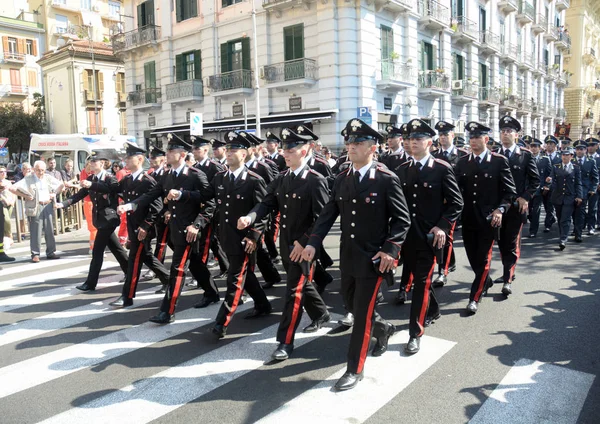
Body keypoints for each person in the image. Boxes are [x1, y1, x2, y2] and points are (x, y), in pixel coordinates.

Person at [302, 118, 411, 391]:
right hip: (348, 256)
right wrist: (313, 242)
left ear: (373, 147)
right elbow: (328, 214)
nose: (350, 146)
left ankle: (355, 368)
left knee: (361, 314)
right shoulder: (342, 178)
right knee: (351, 304)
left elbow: (401, 220)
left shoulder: (386, 179)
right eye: (349, 142)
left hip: (373, 259)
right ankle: (383, 329)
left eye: (358, 143)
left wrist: (390, 249)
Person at [238, 127, 330, 360]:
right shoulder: (282, 179)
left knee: (293, 292)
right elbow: (266, 203)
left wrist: (304, 242)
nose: (285, 153)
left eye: (291, 149)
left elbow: (322, 219)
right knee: (300, 285)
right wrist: (251, 217)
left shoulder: (314, 181)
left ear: (305, 149)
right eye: (284, 149)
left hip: (304, 248)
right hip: (286, 244)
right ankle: (321, 313)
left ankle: (285, 341)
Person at [120, 134, 216, 324]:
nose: (167, 153)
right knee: (195, 263)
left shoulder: (196, 175)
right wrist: (131, 205)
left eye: (171, 150)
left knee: (178, 269)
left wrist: (196, 224)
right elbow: (151, 195)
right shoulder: (167, 175)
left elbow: (210, 202)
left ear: (181, 155)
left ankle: (167, 311)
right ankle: (212, 293)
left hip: (190, 231)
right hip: (175, 230)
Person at [395, 119, 463, 354]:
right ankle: (432, 309)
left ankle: (415, 332)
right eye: (410, 139)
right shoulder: (402, 169)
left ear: (430, 142)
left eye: (418, 139)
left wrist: (442, 226)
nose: (413, 143)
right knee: (420, 281)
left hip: (429, 237)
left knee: (421, 282)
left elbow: (456, 203)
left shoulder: (442, 168)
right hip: (407, 237)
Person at [208, 131, 273, 338]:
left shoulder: (254, 180)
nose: (228, 153)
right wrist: (181, 194)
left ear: (244, 154)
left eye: (233, 150)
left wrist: (253, 236)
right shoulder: (220, 178)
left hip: (244, 240)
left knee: (234, 280)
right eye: (227, 149)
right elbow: (206, 198)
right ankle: (263, 305)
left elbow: (263, 211)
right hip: (226, 237)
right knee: (246, 274)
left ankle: (221, 323)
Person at [455, 122, 516, 314]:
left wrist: (500, 210)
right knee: (473, 258)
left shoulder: (498, 161)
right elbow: (456, 189)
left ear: (486, 139)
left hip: (489, 220)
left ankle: (474, 297)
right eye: (471, 138)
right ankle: (485, 280)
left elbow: (510, 192)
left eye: (477, 137)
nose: (473, 141)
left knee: (483, 259)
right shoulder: (463, 162)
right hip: (468, 219)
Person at [56, 153, 129, 290]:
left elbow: (112, 189)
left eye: (95, 161)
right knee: (117, 249)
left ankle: (90, 283)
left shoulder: (109, 178)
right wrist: (64, 204)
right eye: (90, 161)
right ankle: (130, 272)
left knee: (97, 252)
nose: (91, 163)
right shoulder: (91, 178)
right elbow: (80, 194)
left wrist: (92, 185)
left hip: (109, 219)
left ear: (102, 163)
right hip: (99, 219)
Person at [493, 116, 539, 296]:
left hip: (515, 208)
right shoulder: (494, 155)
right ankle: (507, 271)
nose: (505, 134)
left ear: (516, 135)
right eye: (503, 131)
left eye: (509, 131)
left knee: (511, 243)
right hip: (497, 208)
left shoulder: (525, 155)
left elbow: (535, 181)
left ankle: (507, 279)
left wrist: (525, 197)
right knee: (501, 243)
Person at [187, 136, 229, 289]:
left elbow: (223, 189)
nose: (194, 151)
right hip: (198, 210)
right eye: (193, 149)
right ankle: (226, 266)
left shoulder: (215, 166)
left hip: (212, 211)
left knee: (205, 243)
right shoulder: (195, 167)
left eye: (197, 149)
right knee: (212, 242)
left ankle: (200, 276)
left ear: (205, 150)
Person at [431, 120, 467, 286]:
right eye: (440, 134)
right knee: (441, 237)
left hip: (453, 203)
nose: (443, 137)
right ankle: (448, 263)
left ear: (453, 135)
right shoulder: (435, 156)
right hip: (437, 203)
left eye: (446, 134)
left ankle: (442, 271)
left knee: (447, 236)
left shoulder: (462, 155)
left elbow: (464, 180)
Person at [10, 161, 64, 262]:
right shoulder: (28, 178)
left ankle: (51, 252)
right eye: (38, 170)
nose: (41, 172)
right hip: (36, 206)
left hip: (47, 204)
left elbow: (61, 185)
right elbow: (12, 188)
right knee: (36, 231)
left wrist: (55, 193)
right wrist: (25, 196)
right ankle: (35, 254)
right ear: (34, 170)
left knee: (49, 230)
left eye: (42, 170)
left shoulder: (48, 177)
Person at [551, 148, 583, 250]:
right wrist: (549, 181)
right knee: (560, 218)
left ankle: (563, 239)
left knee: (565, 219)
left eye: (567, 155)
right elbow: (552, 179)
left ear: (571, 156)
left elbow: (578, 183)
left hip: (570, 197)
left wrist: (579, 196)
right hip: (558, 197)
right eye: (563, 155)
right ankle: (562, 235)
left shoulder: (576, 168)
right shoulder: (556, 167)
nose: (564, 157)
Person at [572, 140, 598, 242]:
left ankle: (578, 234)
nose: (579, 151)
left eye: (581, 149)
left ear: (585, 150)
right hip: (572, 190)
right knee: (573, 212)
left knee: (580, 211)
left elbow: (595, 178)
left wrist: (592, 189)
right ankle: (577, 227)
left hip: (584, 191)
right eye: (577, 149)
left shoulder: (591, 161)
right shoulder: (571, 160)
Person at [527, 138, 553, 238]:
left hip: (540, 189)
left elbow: (550, 174)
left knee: (536, 210)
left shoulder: (545, 159)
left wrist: (547, 186)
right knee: (529, 210)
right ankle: (533, 222)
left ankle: (533, 231)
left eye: (535, 147)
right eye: (532, 147)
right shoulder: (526, 158)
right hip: (528, 189)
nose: (533, 149)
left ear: (539, 148)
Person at [0, 165, 16, 251]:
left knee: (7, 220)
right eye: (1, 172)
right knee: (7, 220)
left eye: (4, 172)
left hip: (10, 203)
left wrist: (13, 201)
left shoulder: (8, 182)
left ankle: (6, 237)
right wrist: (5, 200)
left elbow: (13, 192)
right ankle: (9, 235)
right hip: (3, 203)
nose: (3, 173)